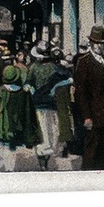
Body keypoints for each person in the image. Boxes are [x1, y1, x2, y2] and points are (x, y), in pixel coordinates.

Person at [73, 25, 104, 170]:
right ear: (90, 43)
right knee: (91, 151)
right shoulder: (84, 61)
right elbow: (81, 93)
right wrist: (86, 116)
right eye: (95, 42)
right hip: (93, 114)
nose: (98, 45)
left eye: (101, 43)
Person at [25, 40, 70, 169]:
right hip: (48, 105)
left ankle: (42, 159)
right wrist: (56, 86)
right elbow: (68, 78)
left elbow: (28, 83)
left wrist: (30, 88)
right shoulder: (54, 68)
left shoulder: (34, 67)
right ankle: (44, 160)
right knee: (50, 134)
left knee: (44, 134)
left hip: (40, 105)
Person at [0, 65, 41, 172]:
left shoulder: (0, 90)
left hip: (3, 124)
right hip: (17, 122)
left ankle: (7, 167)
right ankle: (10, 168)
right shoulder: (23, 92)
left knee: (4, 146)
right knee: (12, 146)